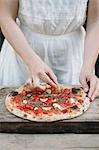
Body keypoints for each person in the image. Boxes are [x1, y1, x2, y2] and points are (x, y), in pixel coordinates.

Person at [0, 0, 99, 100]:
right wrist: (32, 61)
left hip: (74, 56)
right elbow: (5, 16)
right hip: (23, 50)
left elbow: (96, 19)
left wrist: (88, 67)